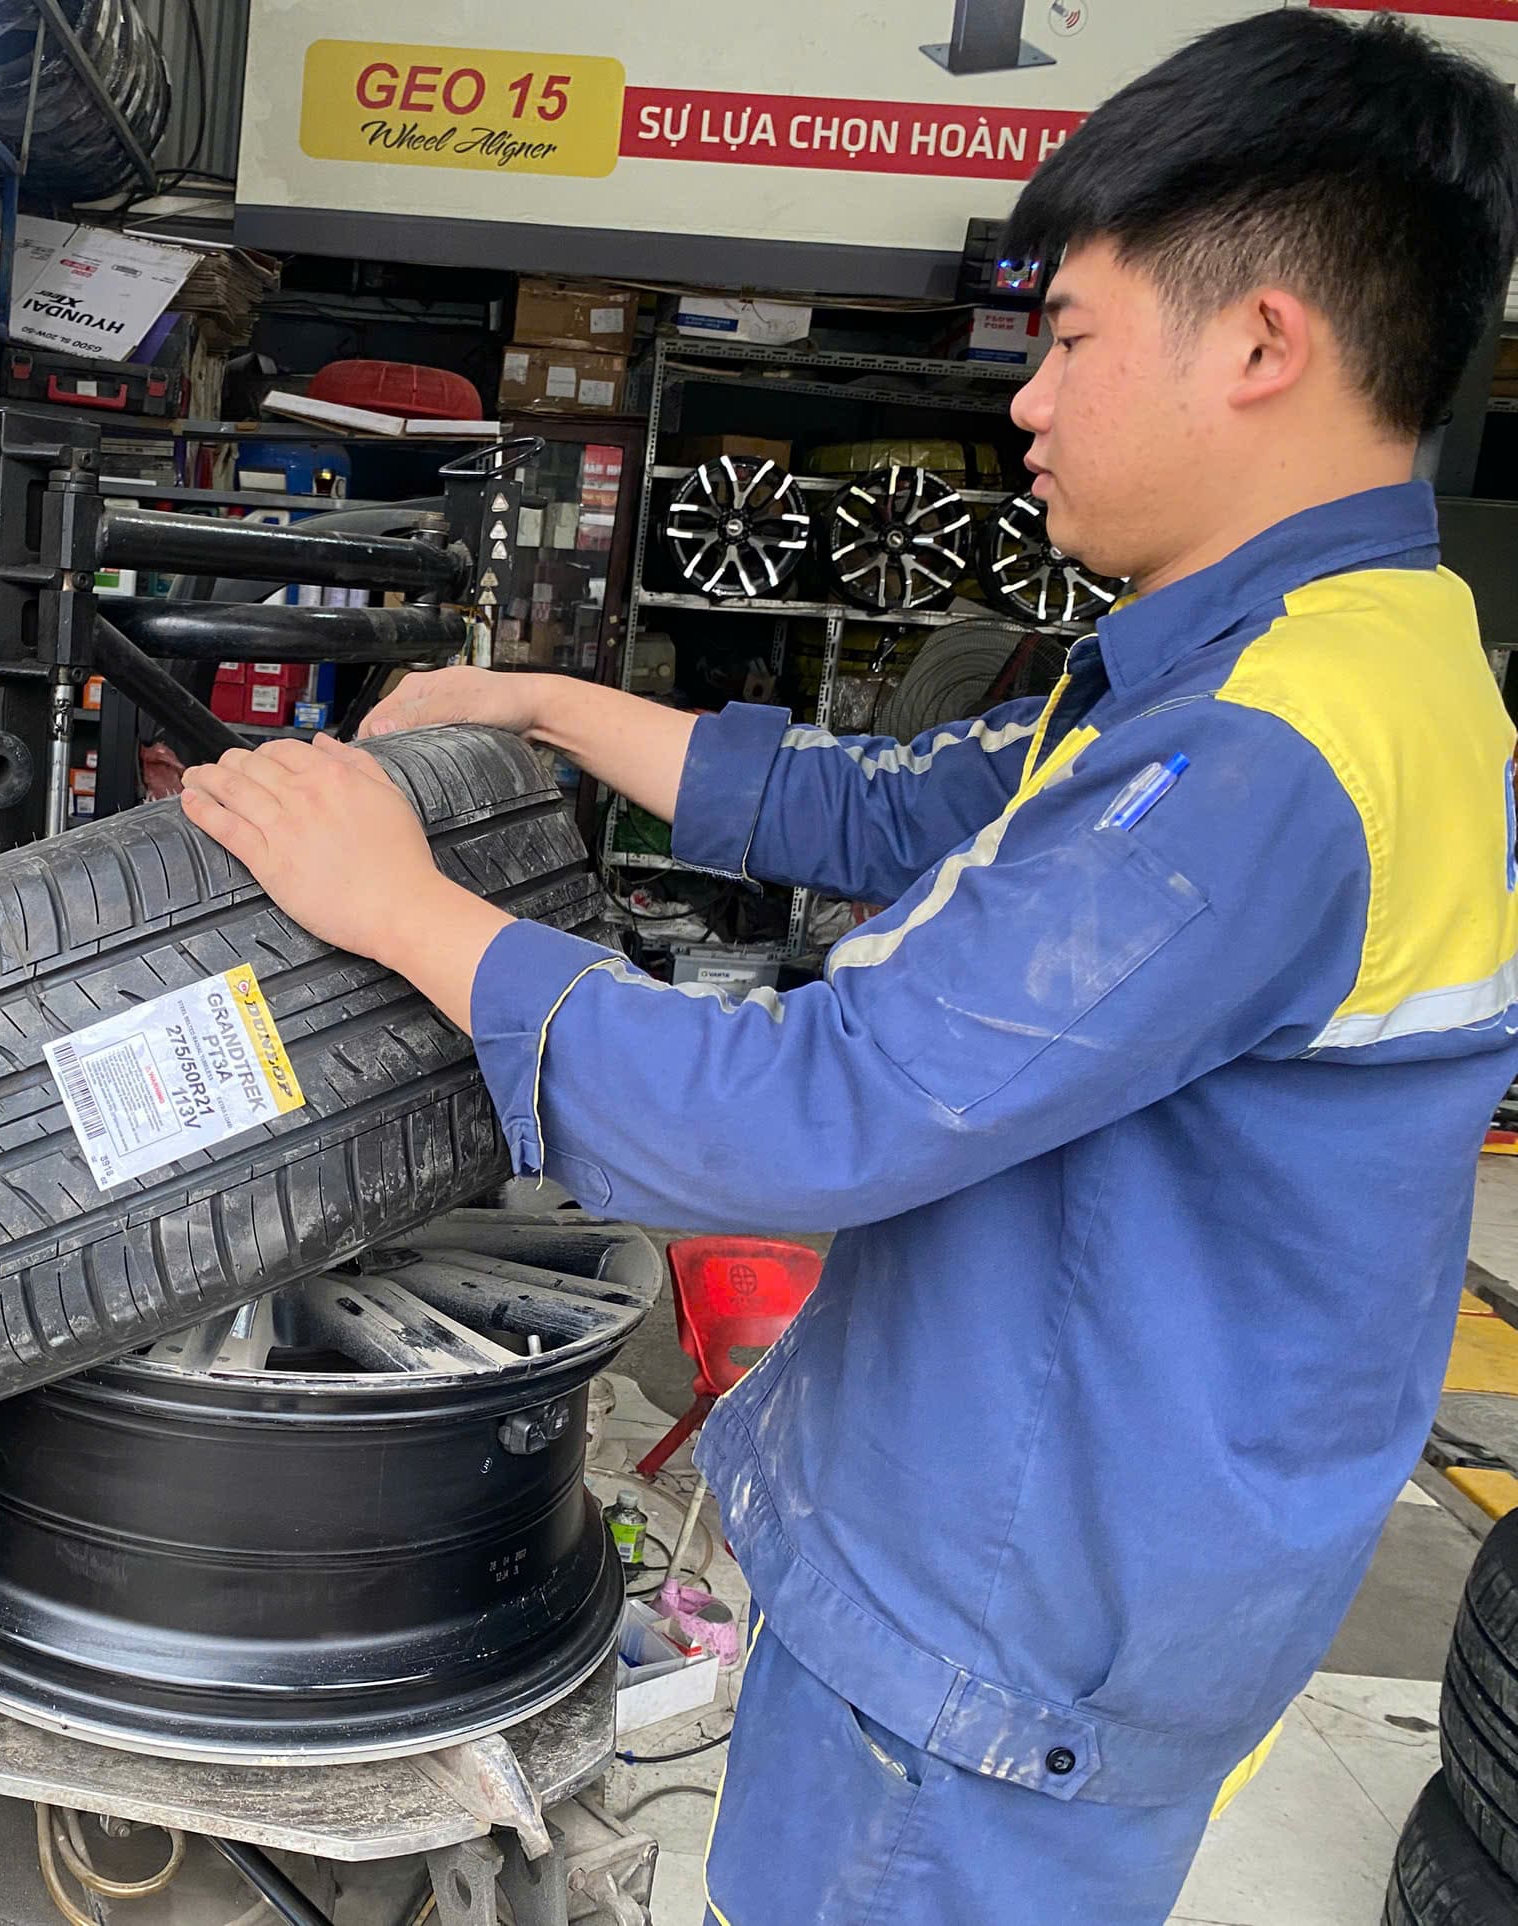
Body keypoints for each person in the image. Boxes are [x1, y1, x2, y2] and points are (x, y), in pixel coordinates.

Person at [180, 13, 1518, 1922]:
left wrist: (399, 905)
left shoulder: (1259, 761)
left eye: (1069, 338)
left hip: (1000, 1636)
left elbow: (811, 1116)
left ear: (1259, 343)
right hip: (1116, 1563)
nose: (1027, 403)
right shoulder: (1341, 657)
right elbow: (892, 807)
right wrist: (541, 702)